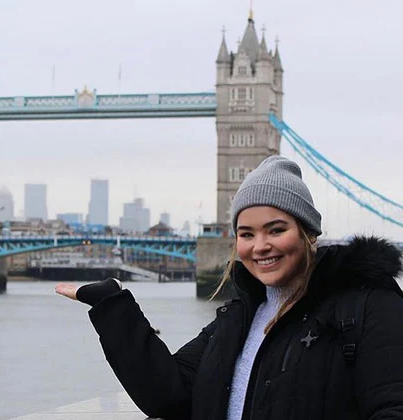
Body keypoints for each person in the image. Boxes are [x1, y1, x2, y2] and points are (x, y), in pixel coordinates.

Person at [56, 155, 403, 420]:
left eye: (276, 229)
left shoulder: (369, 306)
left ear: (309, 234)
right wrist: (113, 307)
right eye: (246, 234)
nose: (260, 246)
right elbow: (168, 394)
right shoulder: (238, 318)